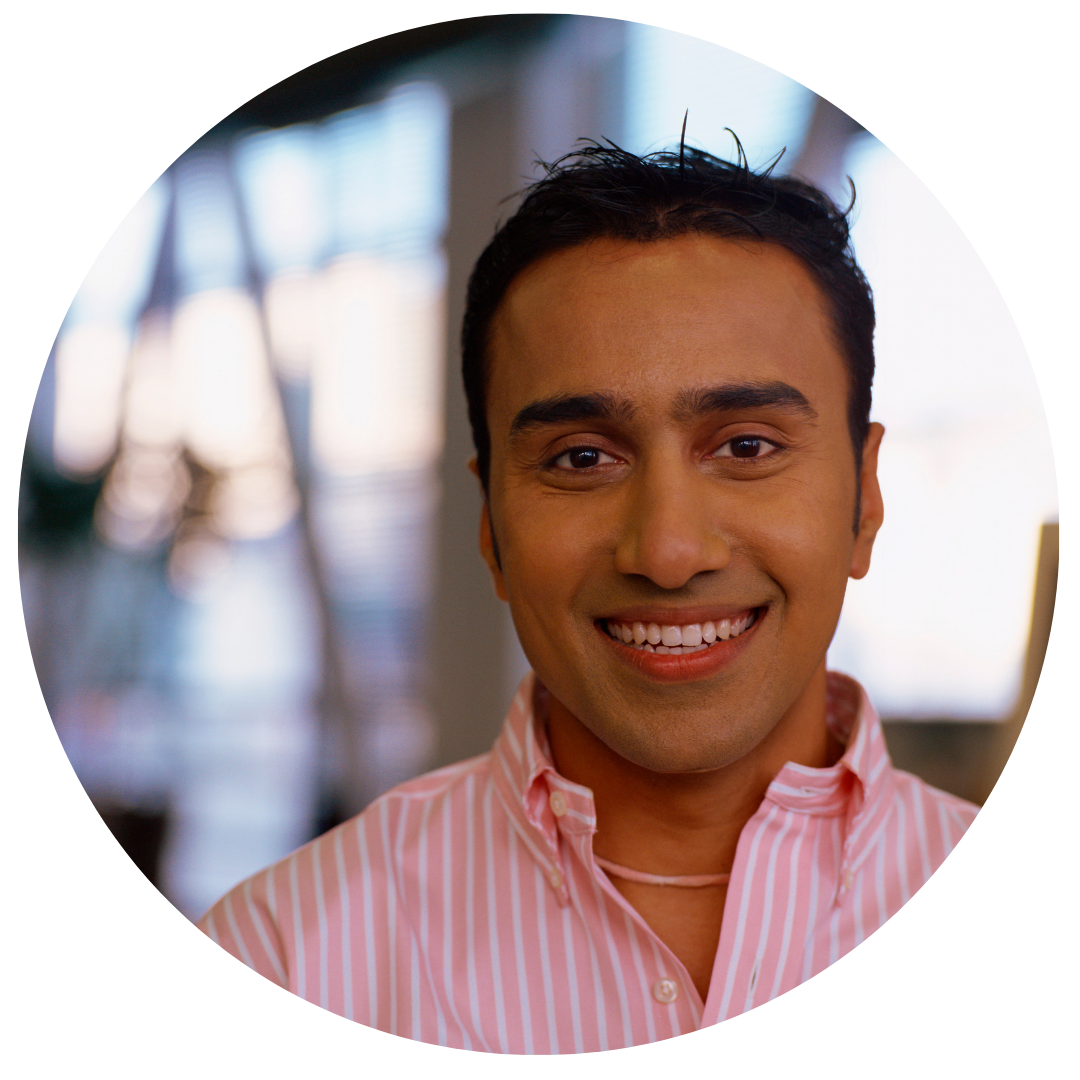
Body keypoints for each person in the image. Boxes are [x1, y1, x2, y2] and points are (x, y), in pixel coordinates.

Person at [197, 138, 979, 1050]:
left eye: (747, 447)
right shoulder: (283, 952)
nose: (669, 552)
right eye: (581, 458)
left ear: (865, 499)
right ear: (490, 526)